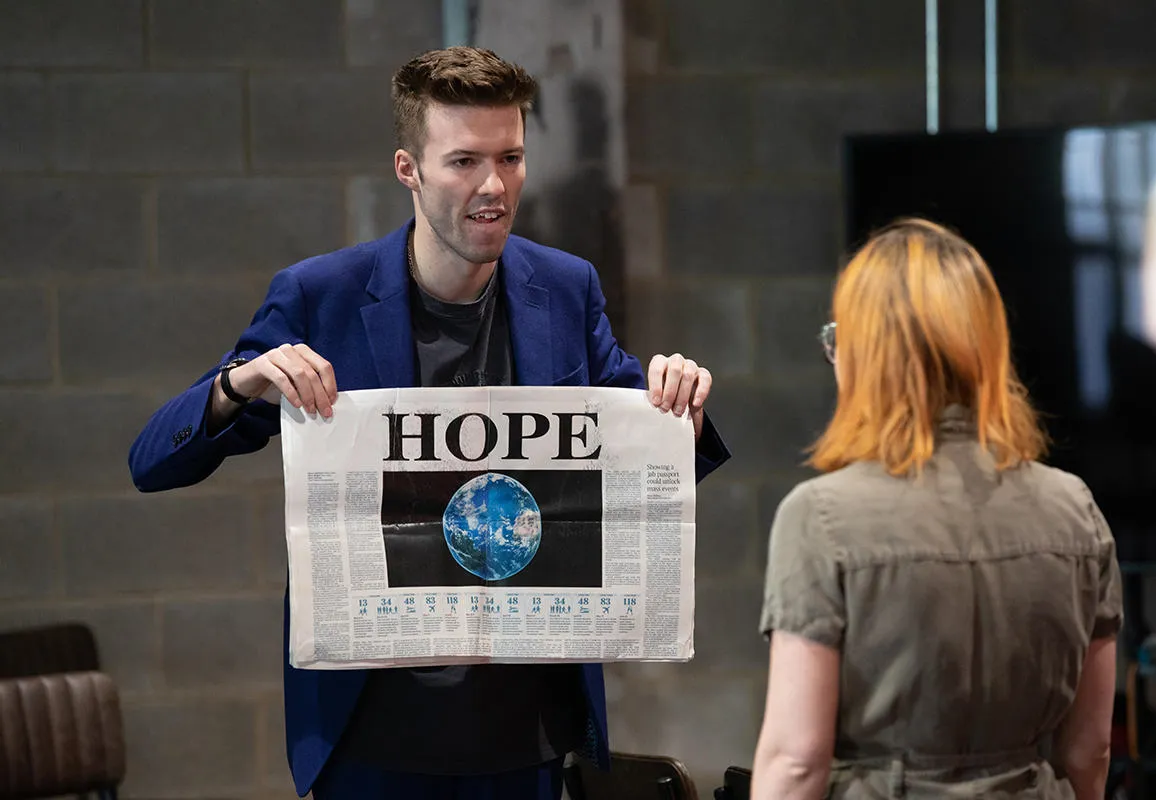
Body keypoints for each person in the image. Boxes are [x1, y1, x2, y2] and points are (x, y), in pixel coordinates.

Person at [128, 46, 730, 800]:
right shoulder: (322, 297)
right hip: (373, 738)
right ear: (408, 169)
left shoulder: (566, 289)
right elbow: (153, 461)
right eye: (464, 162)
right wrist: (236, 385)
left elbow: (642, 453)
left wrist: (680, 407)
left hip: (528, 733)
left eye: (510, 157)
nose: (493, 187)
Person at [751, 219, 1121, 799]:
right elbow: (1090, 748)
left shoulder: (819, 517)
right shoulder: (1076, 508)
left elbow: (797, 762)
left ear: (869, 355)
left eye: (839, 338)